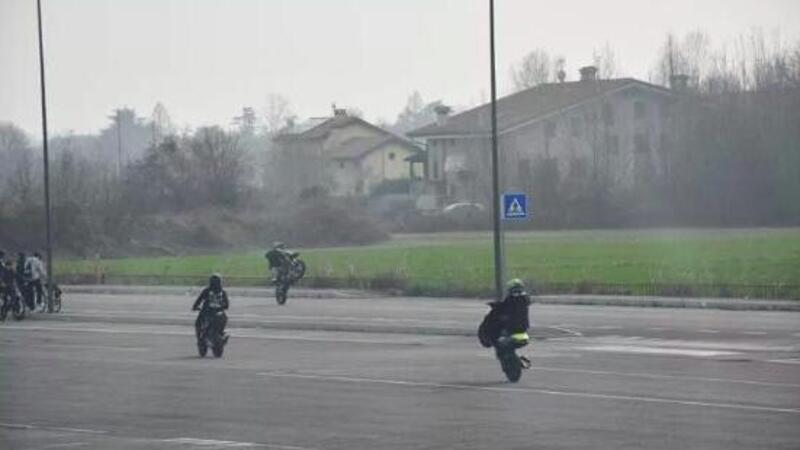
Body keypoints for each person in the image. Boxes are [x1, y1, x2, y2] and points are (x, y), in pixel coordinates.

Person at [485, 278, 532, 367]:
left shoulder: (512, 299)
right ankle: (513, 359)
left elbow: (504, 307)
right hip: (522, 328)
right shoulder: (524, 299)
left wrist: (495, 307)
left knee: (499, 339)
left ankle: (513, 360)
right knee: (502, 342)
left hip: (511, 328)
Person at [192, 274, 230, 343]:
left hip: (207, 312)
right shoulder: (223, 292)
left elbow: (199, 300)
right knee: (223, 321)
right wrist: (221, 307)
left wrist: (195, 307)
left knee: (198, 324)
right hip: (220, 313)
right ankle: (221, 334)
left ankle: (199, 340)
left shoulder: (206, 291)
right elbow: (227, 305)